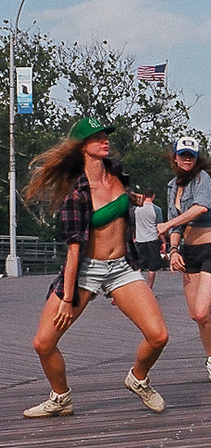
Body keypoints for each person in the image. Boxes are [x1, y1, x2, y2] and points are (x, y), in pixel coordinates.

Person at [22, 118, 168, 417]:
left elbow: (126, 199)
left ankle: (138, 379)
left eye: (105, 136)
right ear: (82, 147)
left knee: (159, 336)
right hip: (86, 269)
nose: (105, 140)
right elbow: (74, 252)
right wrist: (66, 299)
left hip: (122, 268)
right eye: (97, 137)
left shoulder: (117, 173)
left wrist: (136, 199)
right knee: (43, 343)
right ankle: (61, 398)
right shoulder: (76, 195)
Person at [157, 136, 211, 384]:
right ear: (175, 157)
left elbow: (200, 208)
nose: (187, 159)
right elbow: (176, 226)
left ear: (197, 159)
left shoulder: (202, 179)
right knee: (197, 316)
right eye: (182, 155)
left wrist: (168, 224)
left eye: (191, 156)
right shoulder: (171, 187)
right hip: (190, 254)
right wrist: (174, 250)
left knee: (202, 310)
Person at [133, 188, 165, 290]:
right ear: (153, 196)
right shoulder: (157, 209)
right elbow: (159, 227)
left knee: (139, 266)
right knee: (152, 267)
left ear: (143, 195)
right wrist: (163, 242)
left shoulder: (136, 209)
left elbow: (133, 225)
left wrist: (133, 237)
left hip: (139, 240)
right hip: (152, 239)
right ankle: (149, 289)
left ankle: (137, 288)